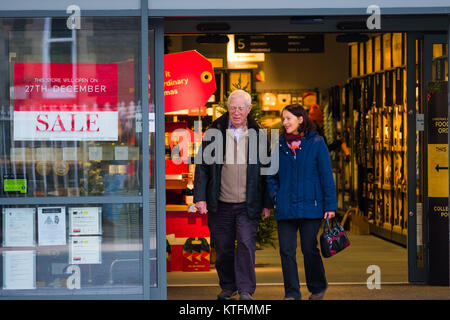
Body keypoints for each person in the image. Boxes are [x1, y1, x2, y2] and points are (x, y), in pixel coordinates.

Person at [194, 89, 272, 301]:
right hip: (221, 203)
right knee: (223, 247)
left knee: (246, 245)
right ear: (228, 108)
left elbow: (267, 171)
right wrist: (200, 197)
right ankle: (228, 286)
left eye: (241, 108)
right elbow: (202, 166)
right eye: (233, 107)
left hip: (248, 204)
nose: (236, 112)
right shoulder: (215, 132)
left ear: (248, 110)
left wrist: (267, 202)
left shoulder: (259, 135)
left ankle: (246, 289)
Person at [266, 103, 337, 300]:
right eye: (283, 119)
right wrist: (275, 196)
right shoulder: (278, 144)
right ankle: (291, 293)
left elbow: (326, 175)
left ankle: (317, 286)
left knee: (308, 249)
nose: (285, 122)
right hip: (286, 207)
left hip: (311, 206)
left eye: (288, 118)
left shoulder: (316, 143)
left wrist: (330, 205)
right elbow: (271, 175)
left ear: (300, 119)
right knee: (286, 252)